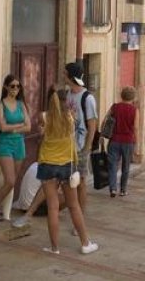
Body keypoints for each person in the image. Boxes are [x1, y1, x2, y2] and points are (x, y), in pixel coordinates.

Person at [28, 86, 98, 255]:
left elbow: (41, 136)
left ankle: (54, 248)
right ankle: (85, 243)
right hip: (66, 165)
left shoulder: (44, 117)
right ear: (65, 102)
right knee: (74, 206)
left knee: (52, 207)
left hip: (47, 165)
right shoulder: (70, 118)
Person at [0, 74, 30, 221]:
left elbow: (29, 126)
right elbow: (2, 126)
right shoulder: (0, 105)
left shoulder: (21, 104)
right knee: (10, 181)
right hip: (4, 144)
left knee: (13, 180)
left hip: (19, 144)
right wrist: (20, 125)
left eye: (18, 86)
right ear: (6, 87)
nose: (15, 89)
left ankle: (5, 212)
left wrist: (14, 129)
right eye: (12, 86)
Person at [64, 62, 98, 215]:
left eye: (65, 73)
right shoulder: (68, 94)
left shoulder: (87, 98)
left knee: (81, 182)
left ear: (71, 76)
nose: (62, 75)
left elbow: (92, 125)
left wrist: (87, 148)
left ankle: (80, 216)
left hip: (80, 147)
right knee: (67, 181)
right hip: (67, 146)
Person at [105, 86, 138, 198]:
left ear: (121, 95)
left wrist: (102, 135)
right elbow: (135, 127)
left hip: (114, 140)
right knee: (126, 166)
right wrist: (136, 141)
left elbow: (106, 120)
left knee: (113, 165)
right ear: (133, 97)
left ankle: (113, 188)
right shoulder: (134, 110)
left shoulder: (114, 107)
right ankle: (123, 190)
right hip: (128, 141)